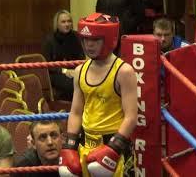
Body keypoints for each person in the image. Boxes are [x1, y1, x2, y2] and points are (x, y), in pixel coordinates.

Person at [58, 13, 138, 177]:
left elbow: (131, 117)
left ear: (109, 40)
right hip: (86, 144)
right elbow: (75, 112)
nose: (89, 45)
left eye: (95, 40)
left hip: (115, 145)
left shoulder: (124, 71)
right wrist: (70, 145)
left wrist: (113, 147)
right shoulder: (80, 71)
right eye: (86, 40)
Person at [42, 10, 85, 101]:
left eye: (69, 21)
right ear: (57, 24)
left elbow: (81, 59)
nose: (67, 24)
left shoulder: (77, 37)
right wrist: (65, 71)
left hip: (75, 71)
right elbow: (47, 65)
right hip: (57, 73)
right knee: (72, 84)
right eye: (63, 22)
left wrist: (76, 71)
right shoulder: (49, 40)